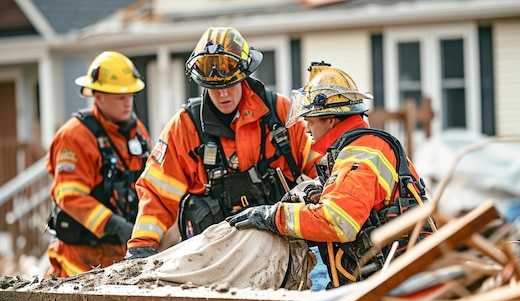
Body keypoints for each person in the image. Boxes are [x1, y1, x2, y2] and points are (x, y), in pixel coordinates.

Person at [228, 61, 434, 287]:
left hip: (394, 284)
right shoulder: (360, 148)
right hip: (394, 275)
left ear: (330, 119)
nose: (306, 130)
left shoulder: (360, 154)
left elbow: (339, 222)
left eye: (311, 122)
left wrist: (274, 216)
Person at [126, 26, 320, 259]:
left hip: (286, 247)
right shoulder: (186, 127)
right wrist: (140, 247)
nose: (223, 94)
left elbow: (322, 170)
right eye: (214, 87)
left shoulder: (281, 114)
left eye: (229, 84)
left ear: (244, 75)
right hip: (214, 257)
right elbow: (157, 193)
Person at [46, 51, 151, 278]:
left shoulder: (138, 133)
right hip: (80, 262)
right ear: (98, 95)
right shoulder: (75, 136)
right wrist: (114, 225)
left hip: (124, 257)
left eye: (130, 95)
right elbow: (69, 196)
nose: (127, 103)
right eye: (120, 96)